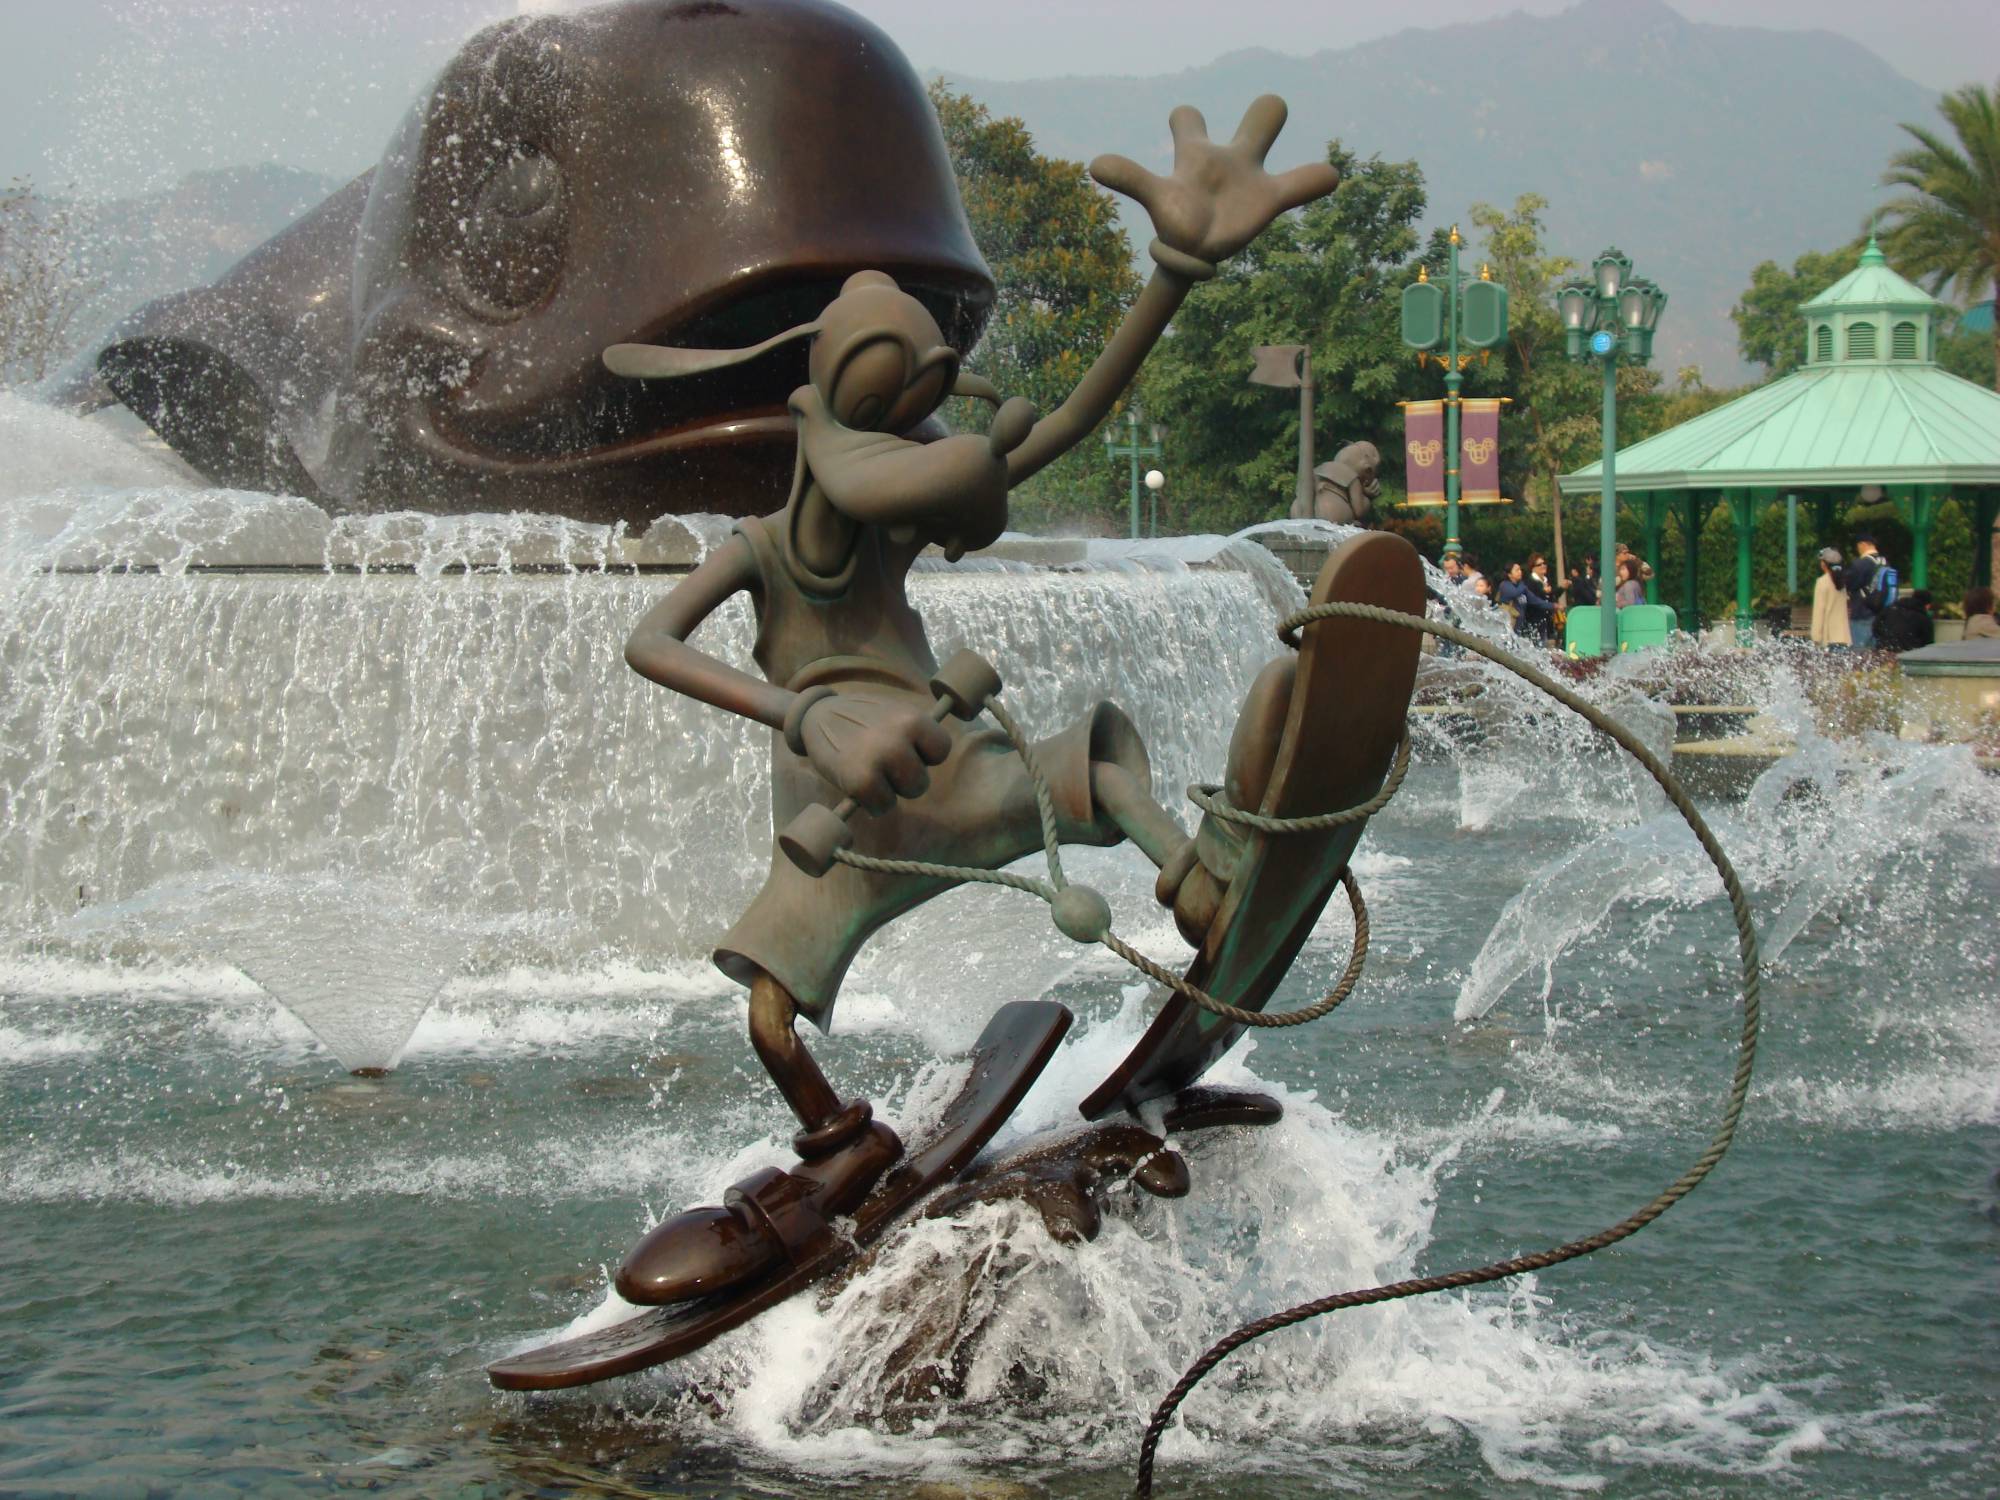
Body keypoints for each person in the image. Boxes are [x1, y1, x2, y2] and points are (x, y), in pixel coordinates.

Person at [1839, 533, 1889, 649]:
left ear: (1862, 544)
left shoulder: (1861, 564)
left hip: (1862, 614)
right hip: (1882, 614)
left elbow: (1848, 584)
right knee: (1875, 657)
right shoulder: (1885, 562)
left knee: (1859, 656)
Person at [1810, 546, 1851, 648]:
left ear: (1824, 564)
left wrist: (1816, 637)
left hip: (1829, 637)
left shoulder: (1822, 582)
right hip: (1844, 637)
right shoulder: (1843, 582)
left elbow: (1819, 611)